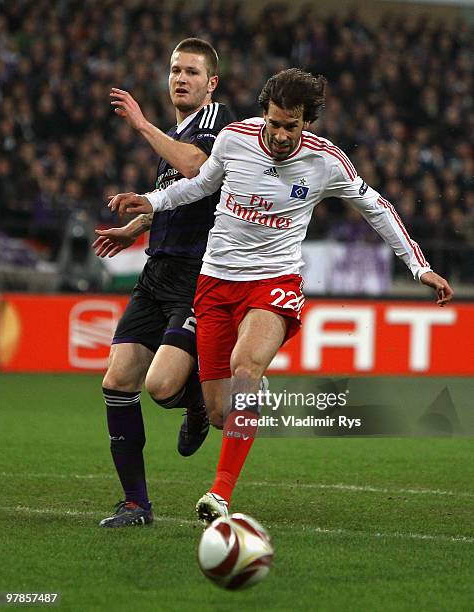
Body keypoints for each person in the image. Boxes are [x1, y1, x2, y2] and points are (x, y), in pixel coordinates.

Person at [108, 68, 454, 523]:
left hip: (274, 281)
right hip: (215, 283)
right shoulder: (233, 139)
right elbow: (199, 185)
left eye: (291, 126)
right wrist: (153, 202)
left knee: (245, 367)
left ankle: (220, 495)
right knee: (219, 413)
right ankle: (246, 403)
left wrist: (419, 266)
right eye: (274, 123)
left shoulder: (326, 161)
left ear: (307, 122)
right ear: (264, 115)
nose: (280, 134)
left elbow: (377, 207)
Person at [94, 38, 234, 528]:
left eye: (192, 72)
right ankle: (136, 504)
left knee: (160, 386)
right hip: (157, 272)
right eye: (175, 69)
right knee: (117, 381)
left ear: (210, 82)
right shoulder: (180, 131)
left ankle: (195, 403)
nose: (181, 78)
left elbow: (197, 170)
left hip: (197, 277)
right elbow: (173, 195)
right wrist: (133, 228)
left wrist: (141, 124)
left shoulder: (217, 124)